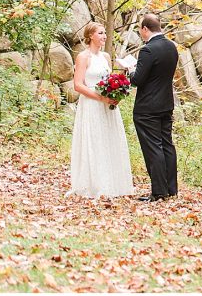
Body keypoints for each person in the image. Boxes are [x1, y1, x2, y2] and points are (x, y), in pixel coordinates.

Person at [67, 22, 136, 198]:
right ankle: (94, 184)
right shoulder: (83, 57)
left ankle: (112, 184)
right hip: (91, 105)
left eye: (105, 33)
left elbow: (109, 80)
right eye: (100, 33)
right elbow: (77, 85)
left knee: (109, 140)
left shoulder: (106, 57)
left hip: (108, 106)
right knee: (94, 141)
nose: (104, 36)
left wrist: (116, 94)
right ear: (91, 36)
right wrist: (100, 98)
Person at [129, 13, 179, 201]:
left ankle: (158, 191)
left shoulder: (148, 50)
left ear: (145, 29)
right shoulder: (171, 47)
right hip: (166, 103)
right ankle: (171, 189)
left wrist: (130, 70)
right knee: (167, 145)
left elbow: (137, 80)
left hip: (148, 106)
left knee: (153, 147)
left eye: (141, 30)